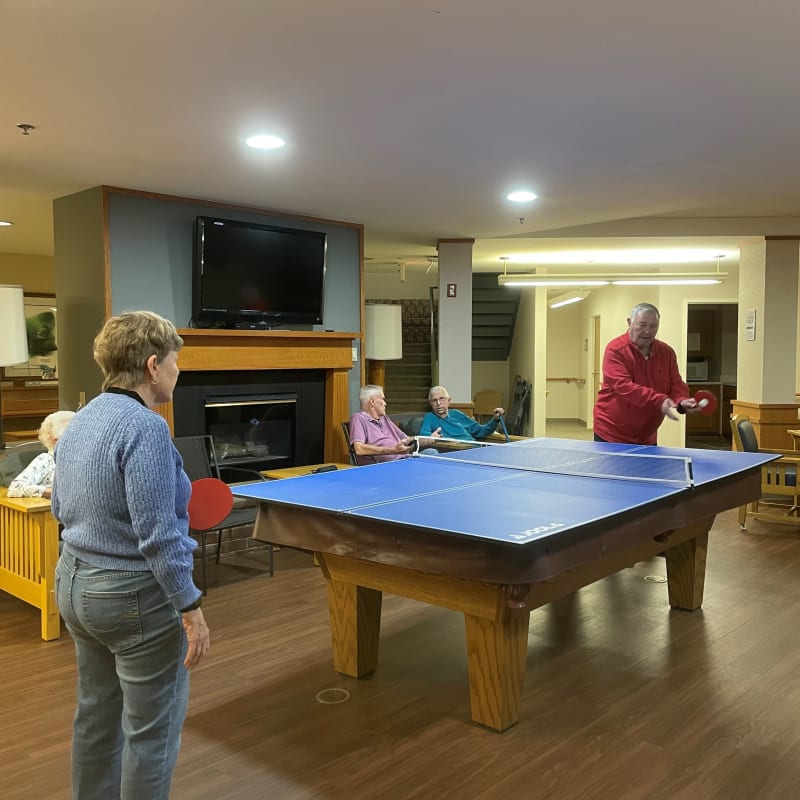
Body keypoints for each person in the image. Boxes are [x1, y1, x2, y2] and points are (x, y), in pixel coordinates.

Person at [52, 310, 209, 800]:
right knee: (152, 732)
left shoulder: (79, 422)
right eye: (176, 361)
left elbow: (61, 506)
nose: (179, 372)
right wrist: (190, 607)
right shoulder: (145, 428)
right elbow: (159, 535)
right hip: (131, 598)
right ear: (152, 365)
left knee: (96, 716)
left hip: (74, 585)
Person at [593, 302, 701, 445]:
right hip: (611, 432)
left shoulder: (666, 352)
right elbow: (624, 386)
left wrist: (681, 400)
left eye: (653, 326)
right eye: (642, 325)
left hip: (646, 435)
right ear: (629, 322)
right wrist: (660, 400)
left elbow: (675, 383)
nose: (647, 331)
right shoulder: (615, 350)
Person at [348, 384, 438, 465]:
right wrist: (393, 450)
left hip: (404, 460)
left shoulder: (384, 418)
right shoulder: (359, 418)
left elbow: (407, 440)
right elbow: (359, 449)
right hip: (386, 467)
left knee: (431, 452)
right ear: (372, 402)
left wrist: (429, 439)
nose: (385, 403)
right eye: (383, 399)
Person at [6, 410, 75, 497]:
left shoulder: (83, 460)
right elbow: (15, 488)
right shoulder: (46, 460)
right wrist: (52, 492)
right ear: (53, 439)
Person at [419, 385, 505, 441]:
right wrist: (431, 438)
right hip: (457, 451)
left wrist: (495, 419)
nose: (438, 403)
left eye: (442, 399)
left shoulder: (457, 414)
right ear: (430, 403)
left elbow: (482, 431)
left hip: (475, 448)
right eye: (434, 400)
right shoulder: (429, 417)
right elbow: (423, 437)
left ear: (449, 401)